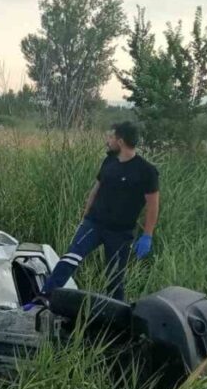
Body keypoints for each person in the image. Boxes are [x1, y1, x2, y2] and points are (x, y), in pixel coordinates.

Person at [35, 121, 159, 304]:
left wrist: (147, 235)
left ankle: (116, 314)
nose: (108, 140)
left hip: (120, 232)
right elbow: (96, 189)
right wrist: (85, 217)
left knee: (115, 277)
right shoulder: (109, 161)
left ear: (121, 141)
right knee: (70, 258)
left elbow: (153, 206)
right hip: (94, 223)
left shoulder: (146, 171)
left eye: (111, 137)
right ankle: (44, 297)